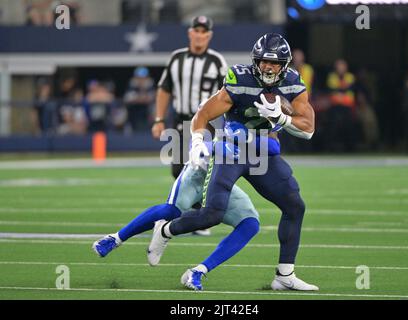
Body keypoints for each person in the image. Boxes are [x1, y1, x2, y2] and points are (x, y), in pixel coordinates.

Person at [148, 33, 318, 291]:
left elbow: (308, 129)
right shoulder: (240, 78)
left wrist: (281, 119)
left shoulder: (293, 82)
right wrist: (195, 143)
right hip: (232, 148)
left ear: (285, 64)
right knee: (213, 213)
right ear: (255, 61)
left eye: (274, 63)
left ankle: (284, 275)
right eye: (263, 62)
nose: (268, 67)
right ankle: (166, 231)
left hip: (262, 151)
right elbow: (203, 113)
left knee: (295, 205)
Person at [92, 129, 261, 291]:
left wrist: (279, 122)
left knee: (250, 223)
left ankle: (198, 271)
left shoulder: (265, 110)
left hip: (222, 182)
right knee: (171, 210)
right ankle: (116, 239)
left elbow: (273, 145)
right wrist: (205, 146)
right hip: (199, 174)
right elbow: (198, 124)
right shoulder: (221, 104)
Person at [152, 15, 227, 236]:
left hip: (206, 123)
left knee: (200, 168)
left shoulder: (216, 61)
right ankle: (193, 214)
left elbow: (227, 94)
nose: (200, 35)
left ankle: (198, 217)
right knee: (177, 169)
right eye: (197, 30)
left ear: (209, 35)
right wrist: (159, 119)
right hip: (179, 120)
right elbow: (164, 88)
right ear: (190, 32)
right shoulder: (176, 59)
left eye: (205, 32)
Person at [325, 59, 358, 152]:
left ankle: (351, 148)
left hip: (347, 107)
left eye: (342, 66)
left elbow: (350, 88)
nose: (340, 68)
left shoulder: (350, 77)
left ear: (346, 67)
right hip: (335, 107)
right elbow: (331, 89)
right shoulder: (332, 76)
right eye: (338, 66)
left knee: (349, 126)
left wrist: (339, 90)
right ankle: (330, 147)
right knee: (332, 126)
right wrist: (342, 89)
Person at [123, 67, 155, 132]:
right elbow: (127, 98)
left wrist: (142, 96)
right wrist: (139, 98)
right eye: (139, 78)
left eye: (143, 78)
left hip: (147, 112)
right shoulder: (132, 86)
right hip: (133, 113)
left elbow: (152, 98)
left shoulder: (150, 86)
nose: (141, 80)